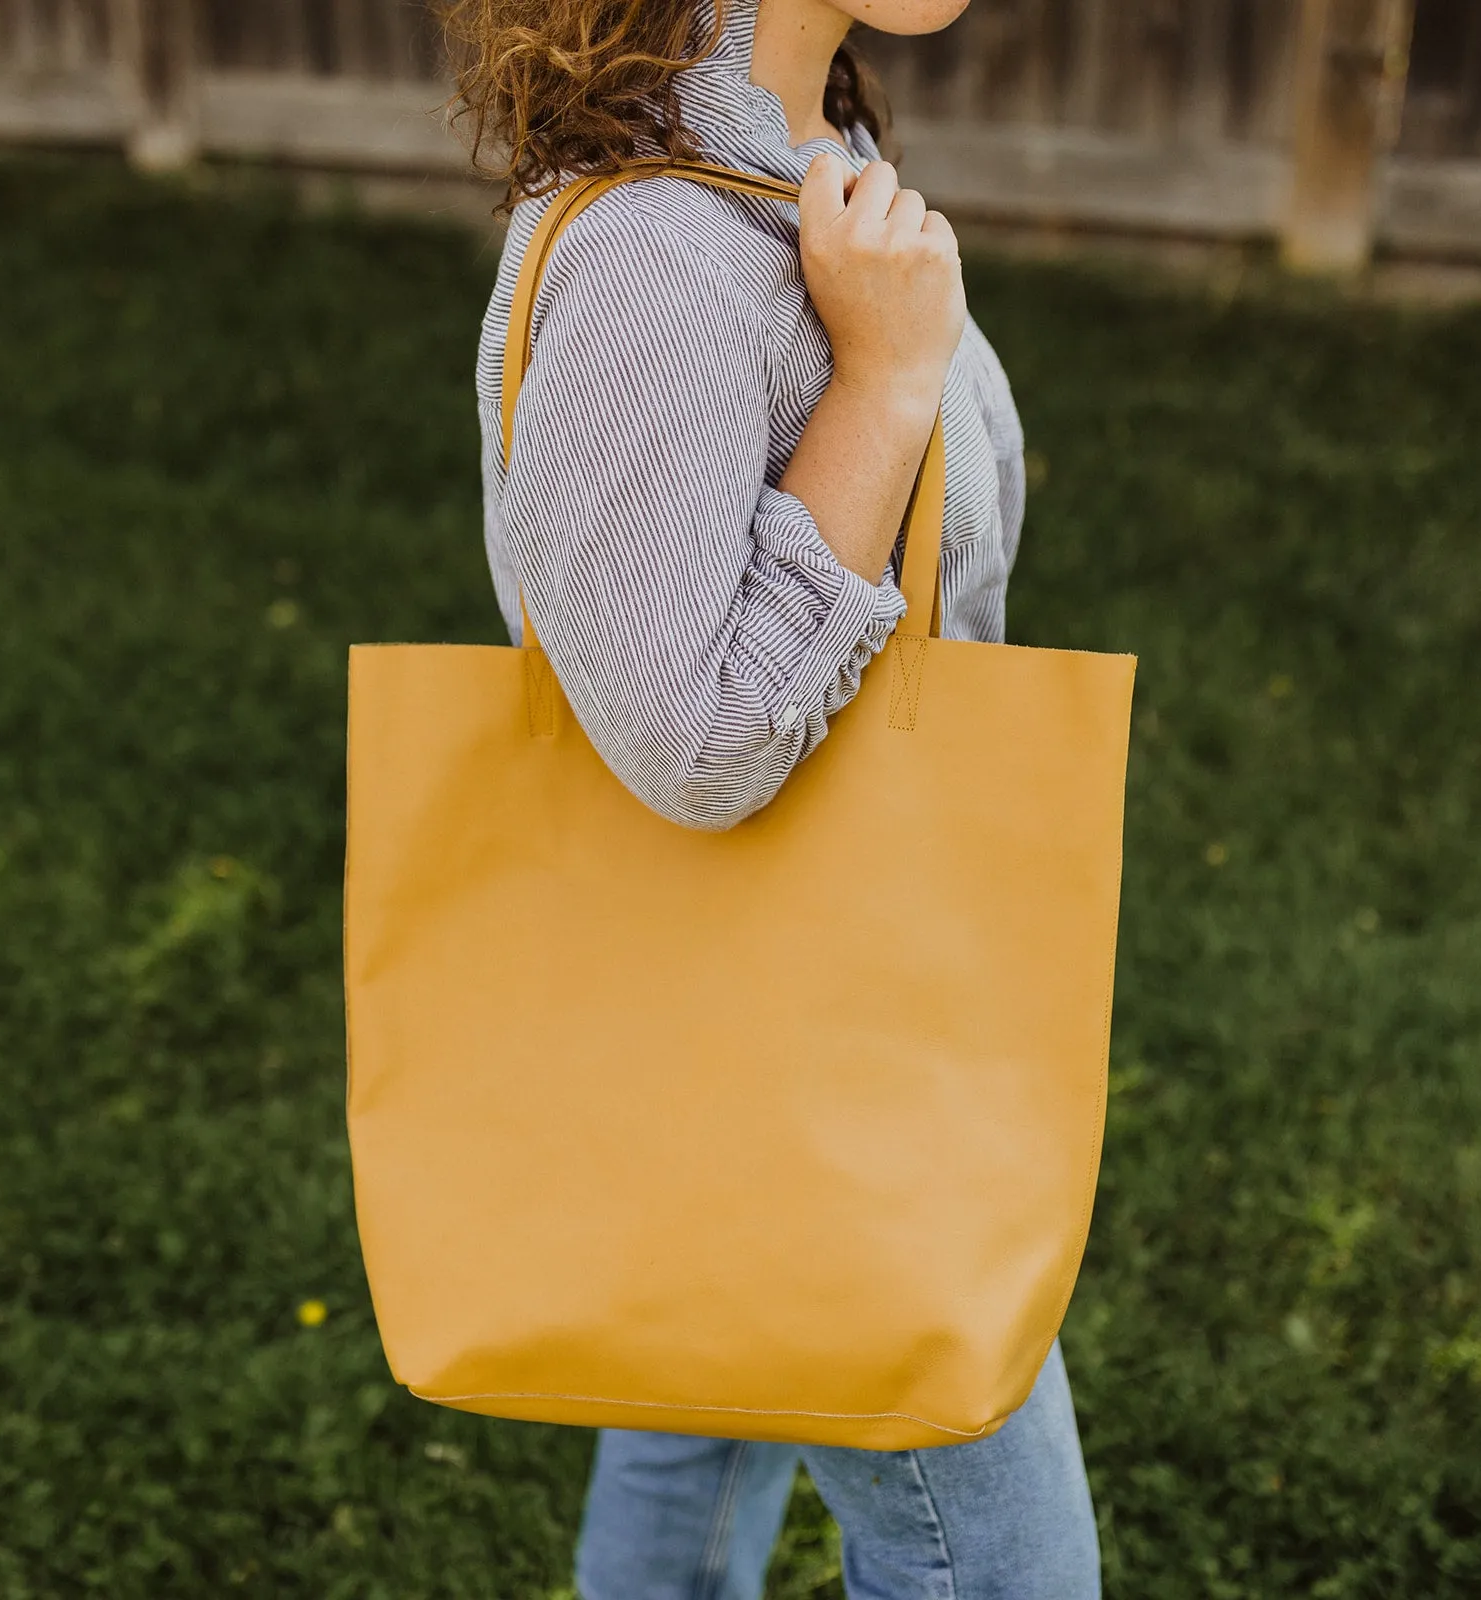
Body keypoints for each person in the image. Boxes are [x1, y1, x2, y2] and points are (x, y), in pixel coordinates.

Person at [438, 0, 1102, 1590]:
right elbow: (691, 739)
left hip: (747, 1016)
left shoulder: (810, 161)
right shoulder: (660, 250)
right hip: (856, 1065)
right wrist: (882, 390)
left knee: (692, 1422)